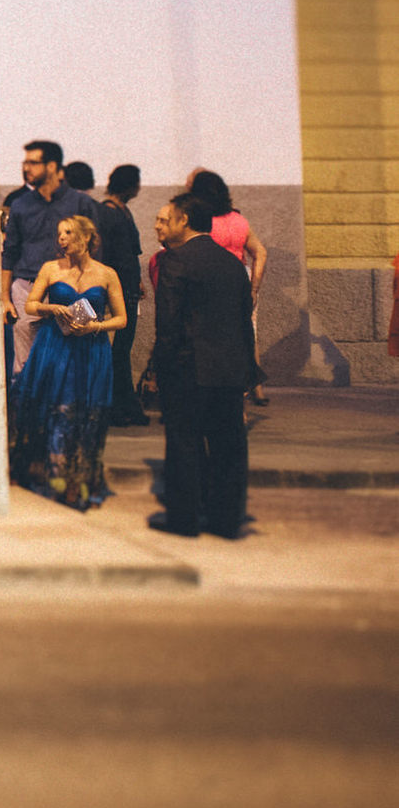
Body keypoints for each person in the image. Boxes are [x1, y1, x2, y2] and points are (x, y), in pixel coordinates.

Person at [148, 192, 257, 538]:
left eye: (171, 217)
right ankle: (227, 520)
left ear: (184, 220)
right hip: (229, 369)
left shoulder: (175, 261)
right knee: (229, 446)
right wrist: (246, 371)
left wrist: (159, 370)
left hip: (187, 368)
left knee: (184, 443)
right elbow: (244, 320)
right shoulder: (232, 263)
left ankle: (185, 520)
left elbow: (168, 324)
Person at [11, 215, 128, 511]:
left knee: (85, 411)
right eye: (59, 233)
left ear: (88, 237)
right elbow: (30, 304)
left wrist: (95, 327)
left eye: (69, 233)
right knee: (55, 406)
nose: (61, 238)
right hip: (55, 344)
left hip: (91, 347)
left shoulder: (106, 274)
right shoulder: (51, 268)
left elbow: (122, 318)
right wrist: (51, 308)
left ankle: (78, 479)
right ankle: (52, 474)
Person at [3, 140, 94, 375]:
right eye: (25, 162)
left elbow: (95, 250)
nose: (26, 168)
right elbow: (10, 251)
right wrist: (5, 297)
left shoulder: (79, 202)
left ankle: (61, 408)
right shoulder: (20, 204)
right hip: (26, 286)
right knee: (24, 359)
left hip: (69, 286)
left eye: (33, 162)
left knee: (70, 353)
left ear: (52, 166)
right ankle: (25, 405)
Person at [188, 169, 270, 404]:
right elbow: (260, 252)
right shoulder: (239, 220)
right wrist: (254, 287)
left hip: (210, 283)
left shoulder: (202, 222)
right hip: (241, 281)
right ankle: (254, 388)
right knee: (247, 334)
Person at [95, 165, 149, 427]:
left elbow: (130, 252)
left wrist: (136, 280)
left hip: (126, 286)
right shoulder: (108, 213)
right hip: (115, 289)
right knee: (117, 350)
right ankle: (120, 405)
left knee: (121, 349)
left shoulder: (122, 212)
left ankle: (122, 404)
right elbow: (107, 254)